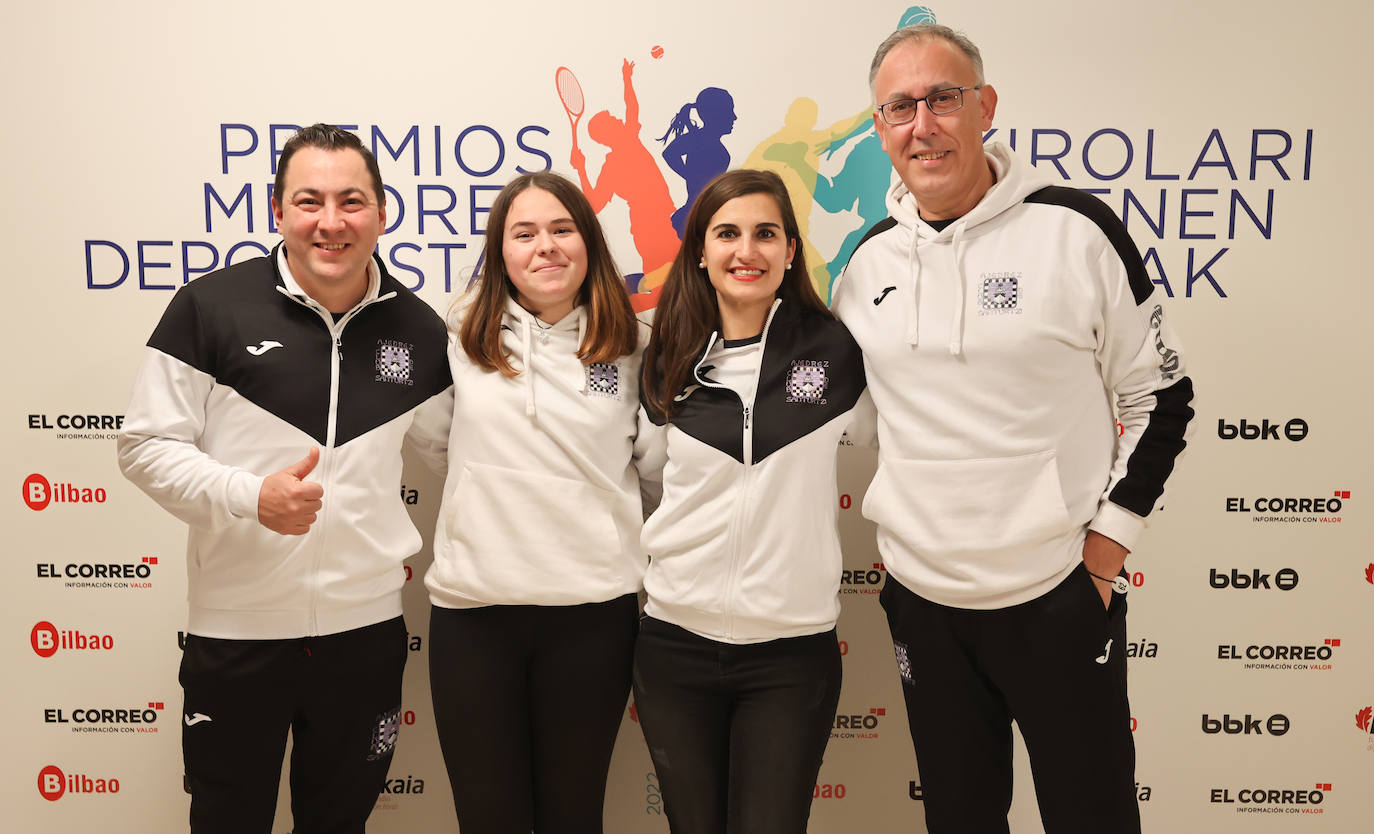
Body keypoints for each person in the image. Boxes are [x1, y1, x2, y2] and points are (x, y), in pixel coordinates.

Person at [830, 23, 1195, 834]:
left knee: (1092, 816)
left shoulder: (1076, 231)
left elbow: (1161, 396)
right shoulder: (865, 265)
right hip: (924, 604)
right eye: (899, 108)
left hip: (1057, 596)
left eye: (942, 99)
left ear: (984, 106)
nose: (922, 124)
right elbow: (813, 398)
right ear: (880, 128)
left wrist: (1105, 551)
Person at [117, 123, 453, 833]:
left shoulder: (421, 330)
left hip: (365, 636)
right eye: (309, 200)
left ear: (383, 212)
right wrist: (249, 496)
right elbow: (144, 445)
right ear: (277, 211)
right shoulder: (209, 307)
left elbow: (466, 452)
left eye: (352, 200)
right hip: (236, 636)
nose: (331, 222)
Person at [634, 169, 870, 834]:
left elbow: (909, 442)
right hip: (674, 646)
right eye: (728, 234)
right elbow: (650, 484)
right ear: (701, 253)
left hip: (790, 655)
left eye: (766, 233)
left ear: (791, 251)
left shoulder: (837, 351)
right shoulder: (662, 358)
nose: (748, 251)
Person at [425, 171, 660, 834]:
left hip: (592, 619)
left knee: (572, 816)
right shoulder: (460, 330)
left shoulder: (635, 343)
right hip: (475, 619)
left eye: (562, 229)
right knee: (488, 819)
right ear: (500, 251)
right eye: (523, 233)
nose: (545, 247)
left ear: (588, 241)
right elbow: (436, 444)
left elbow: (652, 471)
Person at [570, 58, 680, 294]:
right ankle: (633, 288)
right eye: (613, 120)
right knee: (662, 277)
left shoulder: (630, 138)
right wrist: (581, 169)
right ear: (607, 133)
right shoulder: (612, 166)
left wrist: (627, 79)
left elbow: (632, 108)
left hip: (663, 215)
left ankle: (636, 287)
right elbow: (595, 205)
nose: (619, 120)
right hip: (646, 223)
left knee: (676, 272)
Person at [659, 86, 737, 237]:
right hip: (696, 214)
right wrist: (689, 175)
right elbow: (669, 153)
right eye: (729, 111)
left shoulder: (720, 151)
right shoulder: (697, 139)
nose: (734, 117)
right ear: (715, 115)